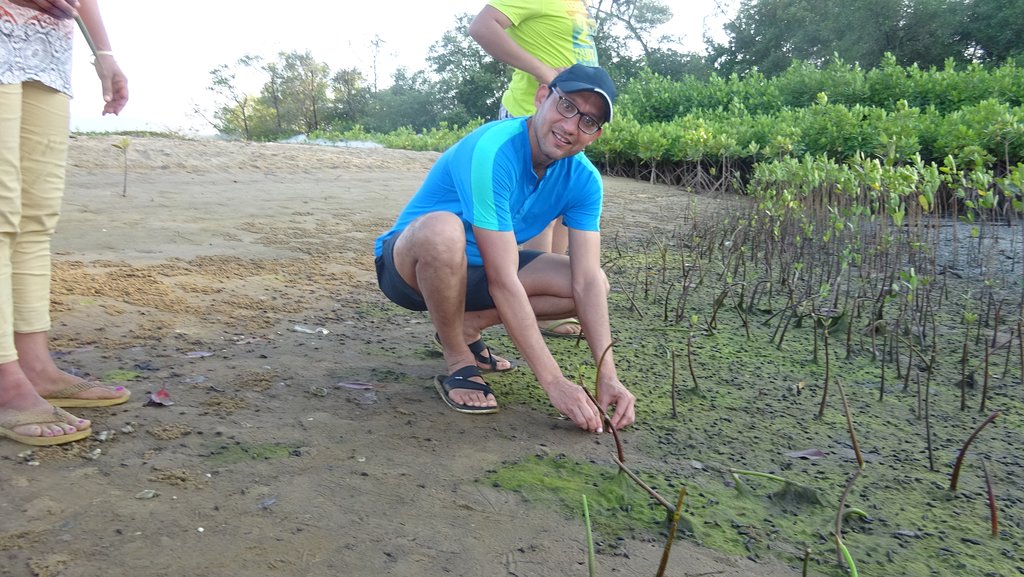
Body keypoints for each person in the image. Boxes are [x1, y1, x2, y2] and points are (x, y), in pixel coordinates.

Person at [374, 64, 635, 433]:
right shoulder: (494, 149)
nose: (571, 126)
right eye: (567, 106)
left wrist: (607, 374)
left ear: (595, 135)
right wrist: (555, 382)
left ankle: (467, 326)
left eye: (588, 122)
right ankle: (457, 357)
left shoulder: (584, 180)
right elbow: (502, 280)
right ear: (542, 97)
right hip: (410, 267)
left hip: (479, 275)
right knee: (443, 229)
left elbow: (587, 281)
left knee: (594, 285)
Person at [0, 0, 130, 446]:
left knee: (36, 216)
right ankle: (4, 379)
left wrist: (104, 53)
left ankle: (35, 365)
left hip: (48, 40)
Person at [469, 0, 599, 338]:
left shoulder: (578, 5)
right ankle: (533, 313)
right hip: (532, 117)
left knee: (558, 210)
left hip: (569, 122)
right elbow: (481, 27)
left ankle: (541, 298)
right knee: (536, 213)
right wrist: (545, 73)